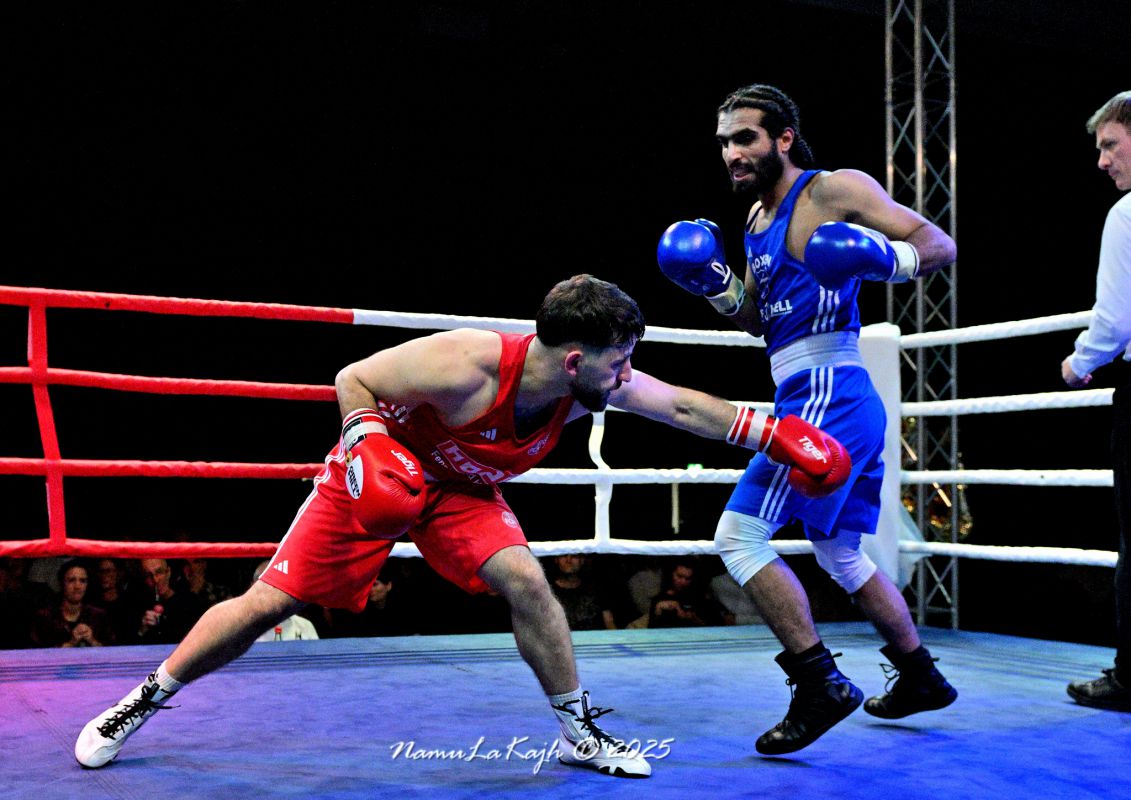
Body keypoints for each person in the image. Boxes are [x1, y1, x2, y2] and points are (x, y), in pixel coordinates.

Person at [75, 274, 849, 779]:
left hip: (458, 490)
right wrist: (367, 444)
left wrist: (772, 433)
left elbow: (681, 405)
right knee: (268, 604)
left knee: (526, 580)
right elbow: (354, 378)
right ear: (572, 357)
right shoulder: (466, 364)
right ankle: (141, 700)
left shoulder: (588, 385)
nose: (625, 374)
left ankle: (577, 734)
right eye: (617, 362)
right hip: (376, 470)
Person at [657, 84, 959, 755]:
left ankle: (819, 682)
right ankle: (920, 675)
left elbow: (938, 244)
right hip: (816, 394)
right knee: (840, 553)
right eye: (724, 142)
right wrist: (715, 286)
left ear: (783, 138)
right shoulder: (754, 220)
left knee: (739, 537)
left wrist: (886, 258)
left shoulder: (832, 190)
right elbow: (758, 321)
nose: (732, 153)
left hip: (830, 391)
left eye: (745, 138)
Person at [1060, 90, 1131, 712]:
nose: (1102, 160)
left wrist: (1079, 363)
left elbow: (1113, 320)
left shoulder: (1127, 214)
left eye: (1111, 144)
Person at [31, 560, 114, 648]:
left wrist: (92, 641)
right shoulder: (45, 617)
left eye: (82, 581)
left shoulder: (98, 616)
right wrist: (71, 643)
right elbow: (35, 653)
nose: (77, 586)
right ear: (61, 583)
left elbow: (113, 651)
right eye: (71, 580)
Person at [130, 558, 207, 645]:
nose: (155, 580)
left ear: (168, 572)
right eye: (148, 575)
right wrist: (142, 630)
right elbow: (128, 646)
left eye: (159, 572)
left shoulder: (189, 603)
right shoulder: (136, 606)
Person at [248, 561, 319, 642]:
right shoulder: (242, 628)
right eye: (268, 584)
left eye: (277, 584)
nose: (273, 590)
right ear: (253, 587)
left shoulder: (305, 626)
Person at [647, 559, 724, 628]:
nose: (683, 582)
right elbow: (652, 632)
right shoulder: (659, 599)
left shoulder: (700, 599)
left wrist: (694, 619)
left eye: (688, 578)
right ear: (671, 574)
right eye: (679, 576)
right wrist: (658, 611)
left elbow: (718, 628)